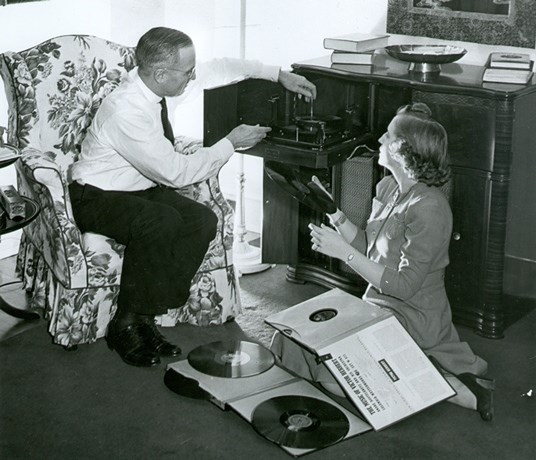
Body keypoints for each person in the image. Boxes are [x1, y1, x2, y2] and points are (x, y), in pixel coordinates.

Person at [68, 27, 317, 367]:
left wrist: (278, 74)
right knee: (161, 220)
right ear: (160, 73)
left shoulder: (156, 84)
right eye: (187, 73)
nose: (194, 77)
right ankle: (124, 323)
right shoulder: (126, 110)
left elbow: (219, 66)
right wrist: (231, 142)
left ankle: (145, 315)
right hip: (95, 196)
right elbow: (175, 174)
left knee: (202, 220)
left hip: (137, 188)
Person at [271, 102, 494, 421]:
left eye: (387, 136)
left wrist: (342, 252)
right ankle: (416, 379)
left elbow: (403, 287)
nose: (379, 141)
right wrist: (333, 212)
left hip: (413, 318)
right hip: (376, 306)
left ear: (404, 149)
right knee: (289, 340)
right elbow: (371, 248)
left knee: (337, 375)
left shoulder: (430, 208)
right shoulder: (388, 186)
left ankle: (439, 382)